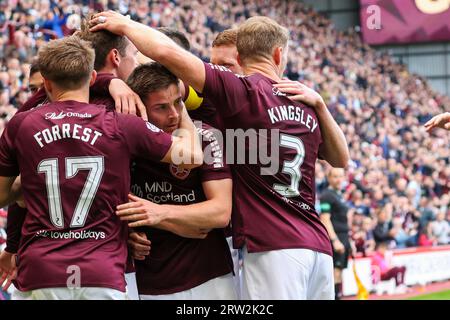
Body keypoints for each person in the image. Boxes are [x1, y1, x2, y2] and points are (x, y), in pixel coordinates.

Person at [90, 12, 349, 299]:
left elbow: (166, 54)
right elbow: (341, 159)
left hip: (269, 245)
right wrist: (322, 106)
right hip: (312, 243)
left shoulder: (239, 92)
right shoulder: (301, 100)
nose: (215, 71)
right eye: (213, 65)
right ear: (278, 54)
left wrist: (125, 24)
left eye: (223, 66)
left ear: (243, 59)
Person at [0, 36, 202, 300]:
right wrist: (181, 108)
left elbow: (2, 195)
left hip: (40, 271)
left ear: (46, 83)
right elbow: (192, 157)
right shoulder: (121, 124)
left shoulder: (21, 125)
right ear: (93, 77)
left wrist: (32, 184)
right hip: (101, 271)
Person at [121, 62, 236, 300]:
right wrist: (127, 234)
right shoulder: (124, 146)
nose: (173, 115)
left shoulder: (206, 138)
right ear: (140, 108)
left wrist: (160, 214)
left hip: (210, 277)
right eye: (161, 107)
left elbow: (220, 212)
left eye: (177, 103)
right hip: (149, 284)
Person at [319, 168, 352, 300]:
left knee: (339, 272)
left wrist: (349, 240)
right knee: (334, 273)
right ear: (329, 178)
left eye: (340, 176)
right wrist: (335, 240)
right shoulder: (327, 195)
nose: (338, 179)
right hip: (336, 237)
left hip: (344, 236)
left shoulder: (339, 194)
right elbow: (325, 219)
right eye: (335, 176)